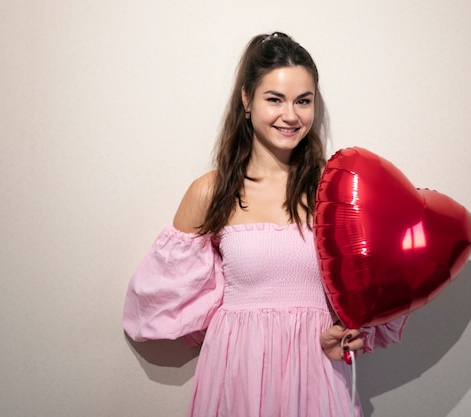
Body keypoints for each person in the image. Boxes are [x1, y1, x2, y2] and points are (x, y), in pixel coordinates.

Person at [123, 32, 407, 417]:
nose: (290, 115)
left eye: (303, 101)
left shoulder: (336, 192)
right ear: (246, 99)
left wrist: (348, 330)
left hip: (317, 372)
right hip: (237, 374)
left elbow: (371, 289)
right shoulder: (211, 192)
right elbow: (156, 302)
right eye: (274, 99)